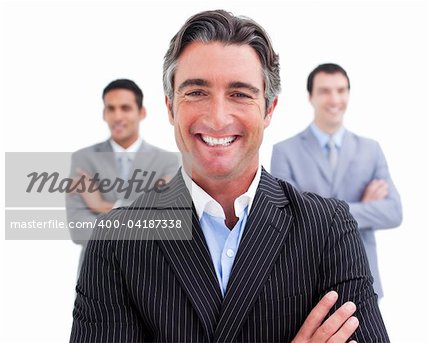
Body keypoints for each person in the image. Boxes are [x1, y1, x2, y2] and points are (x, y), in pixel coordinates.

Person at [70, 11, 389, 342]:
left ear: (268, 109)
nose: (218, 117)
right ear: (170, 107)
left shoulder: (327, 227)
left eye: (239, 93)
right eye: (196, 92)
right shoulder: (115, 242)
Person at [271, 63, 402, 298]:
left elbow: (393, 212)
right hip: (307, 281)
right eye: (325, 91)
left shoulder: (371, 149)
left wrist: (316, 210)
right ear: (311, 97)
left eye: (341, 90)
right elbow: (287, 217)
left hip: (364, 279)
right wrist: (363, 207)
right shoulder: (285, 151)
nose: (334, 99)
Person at [65, 79, 179, 274]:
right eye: (111, 108)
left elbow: (168, 227)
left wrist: (103, 207)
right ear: (104, 114)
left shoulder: (168, 162)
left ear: (141, 112)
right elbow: (78, 230)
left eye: (125, 108)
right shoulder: (83, 160)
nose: (117, 116)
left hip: (149, 275)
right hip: (96, 274)